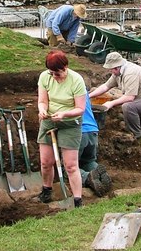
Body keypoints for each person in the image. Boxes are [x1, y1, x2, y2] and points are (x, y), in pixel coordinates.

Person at [36, 50, 86, 208]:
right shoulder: (45, 77)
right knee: (46, 162)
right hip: (49, 120)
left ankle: (77, 200)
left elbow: (80, 108)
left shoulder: (76, 80)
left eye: (57, 73)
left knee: (70, 165)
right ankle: (46, 190)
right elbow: (42, 101)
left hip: (70, 122)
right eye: (51, 73)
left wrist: (64, 114)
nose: (54, 77)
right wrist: (42, 110)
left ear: (65, 67)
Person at [79, 89, 112, 197]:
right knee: (88, 160)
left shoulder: (63, 89)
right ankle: (99, 174)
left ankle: (87, 177)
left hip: (78, 132)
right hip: (93, 130)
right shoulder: (81, 87)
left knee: (68, 168)